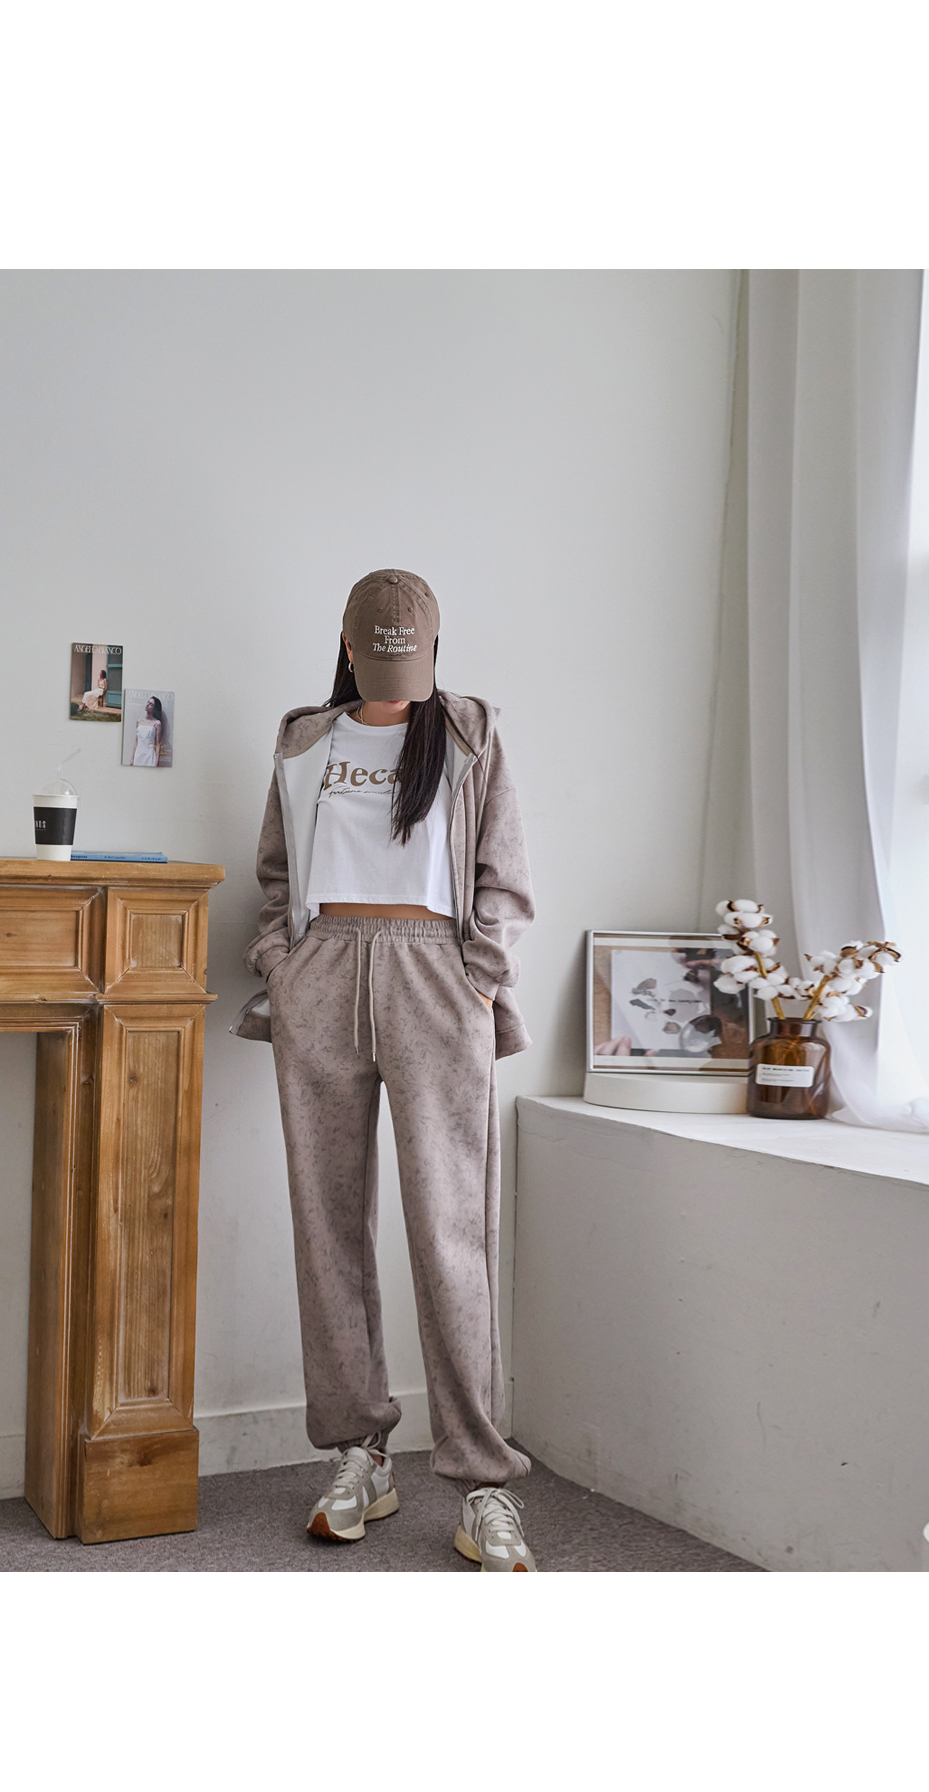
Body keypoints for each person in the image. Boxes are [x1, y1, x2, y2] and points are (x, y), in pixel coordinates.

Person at [236, 569, 537, 1571]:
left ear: (435, 650)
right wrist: (282, 961)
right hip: (323, 973)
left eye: (415, 661)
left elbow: (505, 875)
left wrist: (477, 975)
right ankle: (359, 1452)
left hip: (434, 975)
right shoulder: (305, 742)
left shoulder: (469, 734)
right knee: (326, 1221)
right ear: (349, 647)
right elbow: (277, 871)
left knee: (451, 1228)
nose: (400, 679)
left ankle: (482, 1480)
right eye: (381, 659)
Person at [131, 696, 163, 766]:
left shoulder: (157, 723)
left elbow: (158, 744)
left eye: (151, 704)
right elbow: (136, 742)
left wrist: (156, 762)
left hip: (149, 756)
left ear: (154, 708)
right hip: (138, 755)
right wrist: (132, 759)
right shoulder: (139, 721)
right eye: (148, 702)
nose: (148, 704)